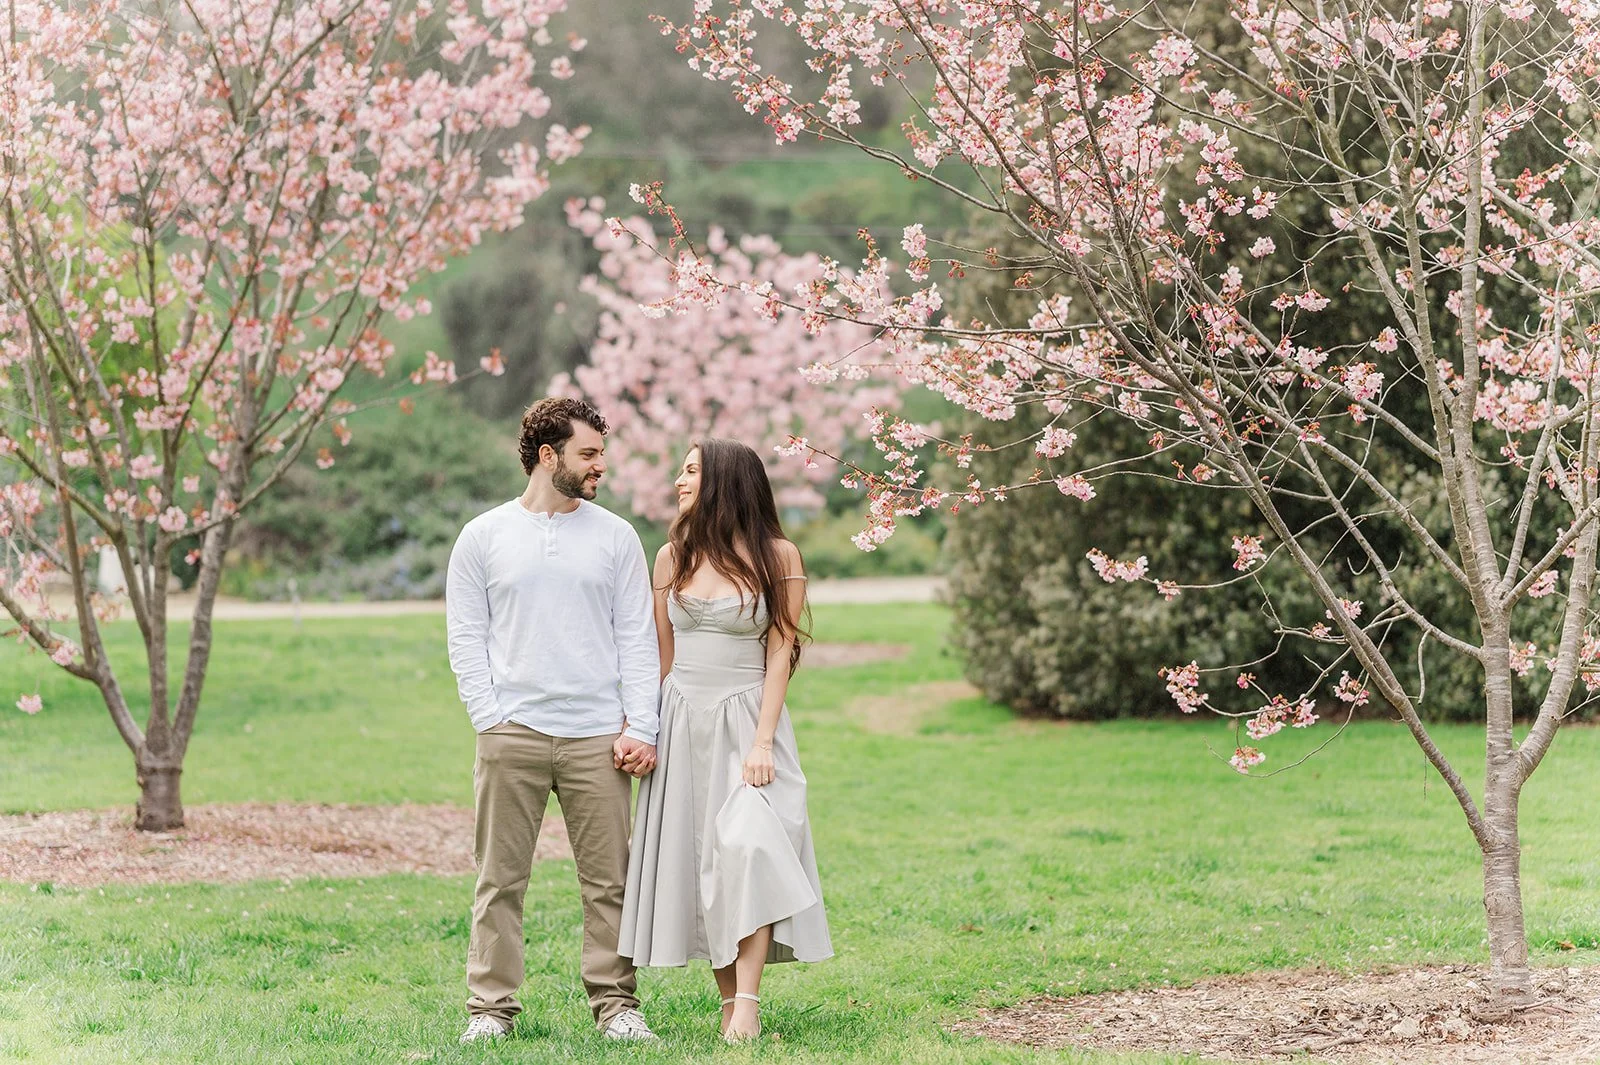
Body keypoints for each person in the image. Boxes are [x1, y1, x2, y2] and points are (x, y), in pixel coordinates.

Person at [445, 397, 661, 1045]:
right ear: (548, 455)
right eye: (588, 453)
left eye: (601, 454)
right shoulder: (483, 536)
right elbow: (466, 635)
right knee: (499, 880)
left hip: (599, 734)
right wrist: (491, 716)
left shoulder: (617, 536)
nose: (601, 466)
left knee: (609, 881)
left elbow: (637, 638)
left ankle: (617, 1005)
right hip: (513, 732)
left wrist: (640, 726)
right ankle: (490, 1009)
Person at [618, 438, 832, 1043]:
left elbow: (781, 650)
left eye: (690, 471)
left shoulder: (778, 555)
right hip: (682, 717)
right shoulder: (671, 558)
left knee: (751, 849)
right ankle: (728, 1005)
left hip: (747, 720)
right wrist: (643, 729)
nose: (679, 480)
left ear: (722, 482)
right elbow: (660, 656)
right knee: (701, 859)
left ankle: (749, 998)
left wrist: (763, 741)